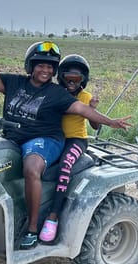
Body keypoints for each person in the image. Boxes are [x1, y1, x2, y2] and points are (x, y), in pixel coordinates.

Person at [0, 42, 131, 249]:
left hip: (45, 139)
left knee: (31, 168)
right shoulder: (14, 83)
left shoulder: (57, 93)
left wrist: (110, 122)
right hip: (12, 138)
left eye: (50, 67)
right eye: (40, 65)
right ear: (30, 66)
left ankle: (31, 228)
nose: (45, 70)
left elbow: (83, 110)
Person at [39, 54, 98, 244]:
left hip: (76, 140)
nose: (71, 83)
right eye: (68, 78)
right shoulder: (55, 92)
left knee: (65, 166)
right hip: (55, 138)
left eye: (76, 79)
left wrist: (93, 110)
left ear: (83, 81)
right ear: (61, 77)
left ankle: (53, 217)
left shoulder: (85, 97)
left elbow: (96, 127)